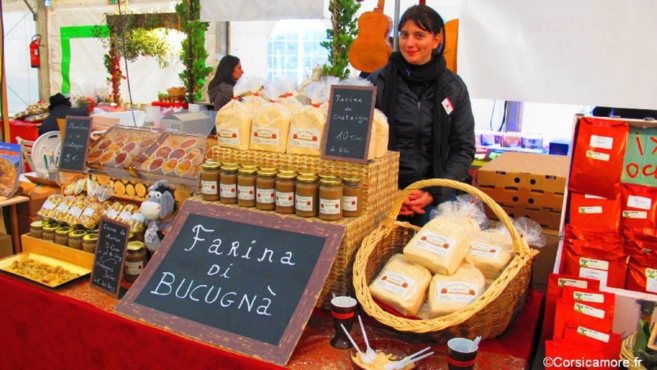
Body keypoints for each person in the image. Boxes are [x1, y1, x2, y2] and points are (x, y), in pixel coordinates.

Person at [368, 5, 475, 226]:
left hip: (436, 191)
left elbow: (463, 148)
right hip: (383, 193)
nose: (409, 43)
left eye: (419, 35)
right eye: (404, 35)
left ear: (436, 40)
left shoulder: (453, 87)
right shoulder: (377, 83)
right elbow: (361, 147)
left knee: (436, 242)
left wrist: (433, 192)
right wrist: (393, 194)